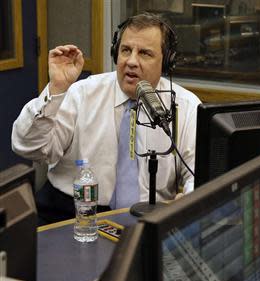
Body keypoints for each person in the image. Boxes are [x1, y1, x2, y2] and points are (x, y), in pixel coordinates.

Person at [11, 13, 201, 224]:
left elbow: (198, 171)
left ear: (166, 62)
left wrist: (191, 199)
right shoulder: (81, 93)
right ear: (115, 53)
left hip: (152, 216)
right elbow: (28, 147)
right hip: (69, 212)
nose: (131, 61)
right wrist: (55, 90)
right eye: (126, 50)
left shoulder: (185, 106)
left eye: (145, 53)